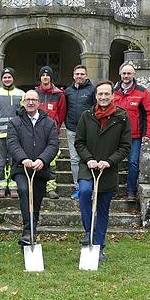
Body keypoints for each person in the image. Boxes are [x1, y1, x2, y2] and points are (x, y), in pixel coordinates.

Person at [75, 81, 132, 262]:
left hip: (108, 169)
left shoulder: (122, 117)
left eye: (107, 94)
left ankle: (99, 247)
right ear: (96, 96)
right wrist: (89, 159)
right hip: (88, 165)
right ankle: (88, 231)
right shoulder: (86, 115)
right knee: (84, 192)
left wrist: (109, 161)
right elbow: (79, 142)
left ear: (113, 96)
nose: (103, 97)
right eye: (100, 94)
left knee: (102, 209)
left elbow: (125, 147)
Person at [6, 90, 59, 245]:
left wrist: (43, 160)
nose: (30, 102)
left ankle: (31, 232)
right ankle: (28, 231)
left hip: (40, 169)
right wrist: (23, 159)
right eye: (27, 99)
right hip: (21, 168)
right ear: (23, 102)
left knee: (36, 201)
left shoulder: (49, 122)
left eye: (33, 100)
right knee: (24, 190)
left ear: (38, 102)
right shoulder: (15, 122)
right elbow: (12, 143)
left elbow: (53, 144)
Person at [112, 62, 150, 199]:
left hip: (135, 135)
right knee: (113, 163)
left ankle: (131, 191)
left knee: (133, 163)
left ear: (134, 75)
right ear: (120, 74)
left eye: (129, 73)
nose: (126, 76)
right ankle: (113, 190)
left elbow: (149, 113)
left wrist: (147, 133)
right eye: (124, 73)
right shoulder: (113, 91)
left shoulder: (142, 91)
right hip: (116, 134)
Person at [0, 67, 25, 199]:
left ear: (13, 78)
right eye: (5, 77)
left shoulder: (21, 94)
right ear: (2, 79)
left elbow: (24, 114)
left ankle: (13, 187)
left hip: (16, 135)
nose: (7, 79)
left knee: (15, 161)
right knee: (0, 162)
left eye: (9, 77)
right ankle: (1, 187)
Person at [64, 64, 96, 200]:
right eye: (77, 74)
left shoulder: (92, 90)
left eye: (82, 74)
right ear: (73, 76)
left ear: (86, 75)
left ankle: (91, 187)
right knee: (74, 159)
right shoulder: (68, 91)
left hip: (88, 130)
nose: (79, 76)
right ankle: (78, 187)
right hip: (72, 129)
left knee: (89, 158)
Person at [35, 66, 66, 199]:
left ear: (51, 78)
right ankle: (37, 186)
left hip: (51, 133)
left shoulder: (59, 94)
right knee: (37, 160)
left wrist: (56, 128)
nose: (45, 77)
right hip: (35, 133)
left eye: (47, 75)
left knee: (51, 161)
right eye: (43, 75)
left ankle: (51, 188)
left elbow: (61, 113)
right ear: (40, 77)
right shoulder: (35, 93)